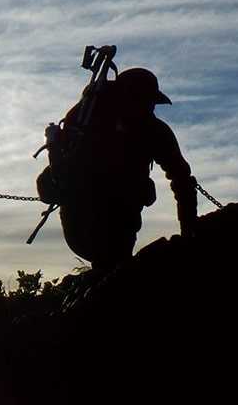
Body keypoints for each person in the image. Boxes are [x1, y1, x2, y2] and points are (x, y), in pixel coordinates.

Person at [54, 67, 198, 271]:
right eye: (148, 101)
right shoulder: (149, 129)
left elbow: (182, 180)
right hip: (91, 217)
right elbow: (182, 180)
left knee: (112, 265)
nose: (151, 108)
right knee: (114, 266)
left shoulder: (152, 130)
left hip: (90, 220)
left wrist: (188, 230)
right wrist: (189, 231)